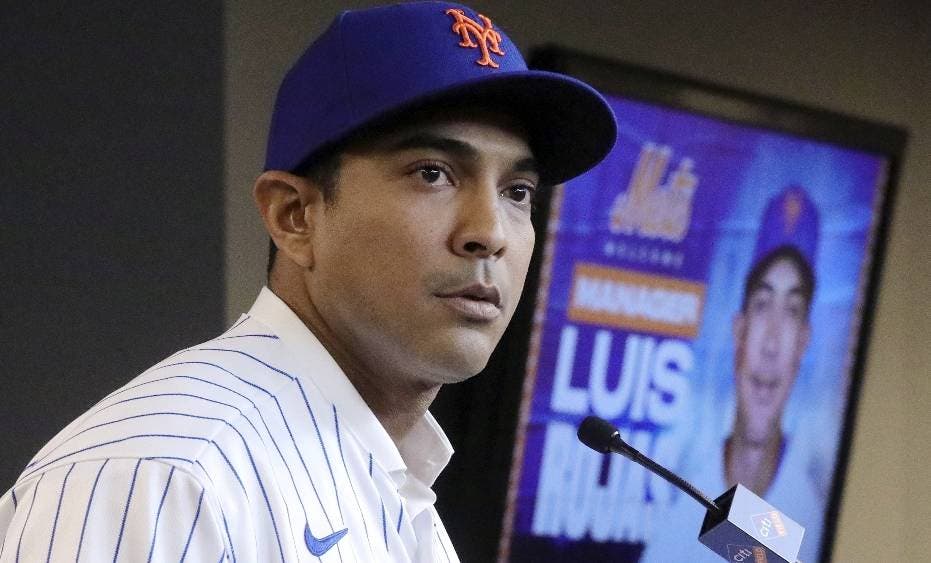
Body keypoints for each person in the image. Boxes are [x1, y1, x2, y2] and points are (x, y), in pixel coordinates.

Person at [0, 3, 616, 562]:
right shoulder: (169, 473)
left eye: (518, 192)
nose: (490, 233)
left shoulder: (395, 482)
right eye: (432, 173)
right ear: (295, 216)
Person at [642, 186, 826, 563]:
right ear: (738, 330)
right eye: (762, 305)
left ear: (804, 342)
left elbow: (770, 550)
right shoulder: (676, 491)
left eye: (792, 311)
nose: (772, 344)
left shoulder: (812, 512)